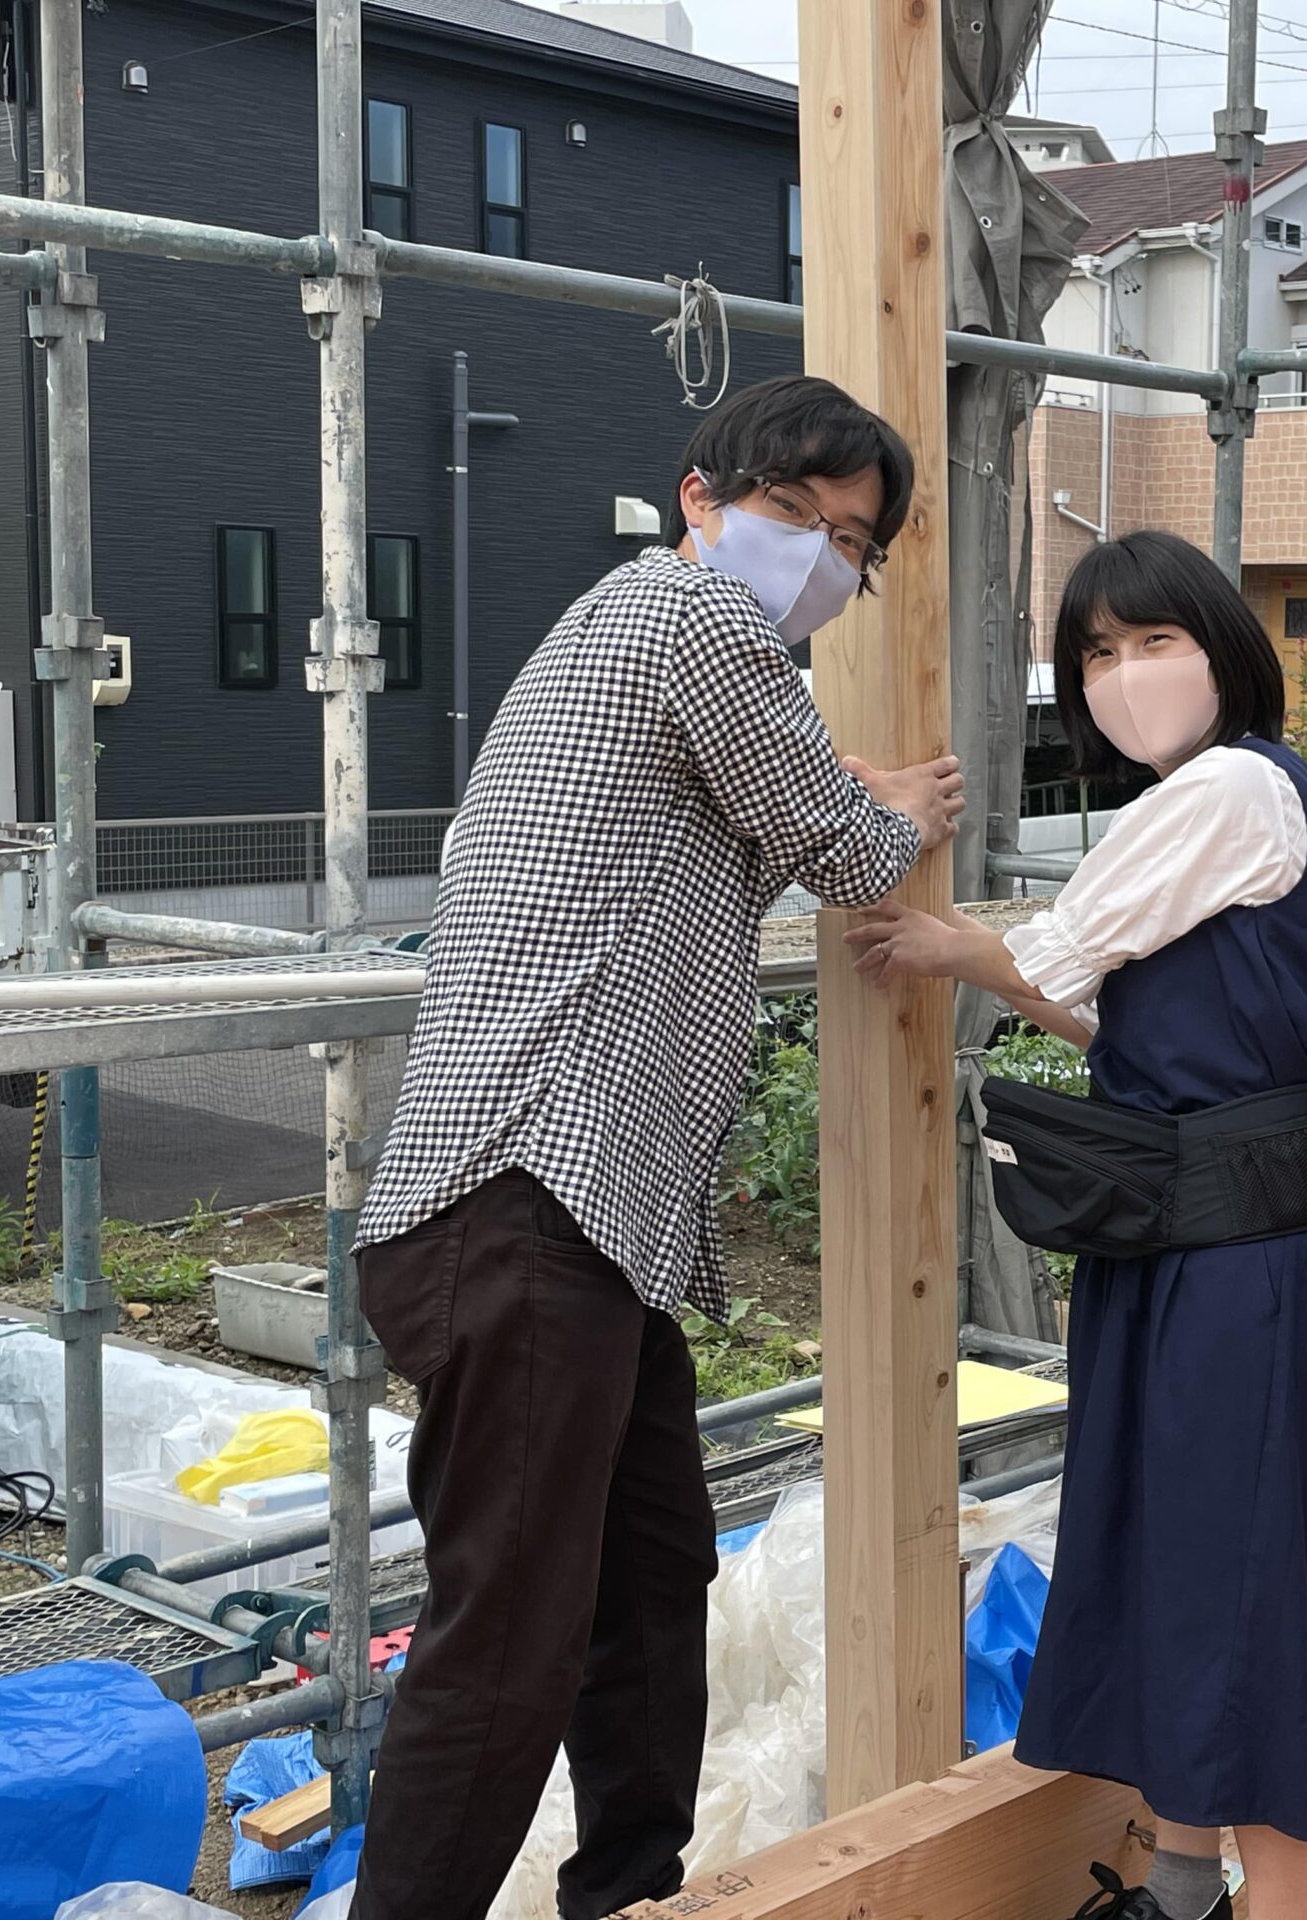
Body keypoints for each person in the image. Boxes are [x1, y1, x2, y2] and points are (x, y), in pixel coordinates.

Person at [347, 374, 965, 1920]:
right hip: (524, 1197)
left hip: (581, 1226)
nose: (822, 557)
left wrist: (838, 798)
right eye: (794, 515)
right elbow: (841, 847)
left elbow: (727, 843)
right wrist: (899, 805)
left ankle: (627, 1894)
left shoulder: (652, 659)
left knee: (649, 1573)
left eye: (853, 543)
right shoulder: (691, 622)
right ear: (701, 498)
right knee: (510, 1642)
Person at [845, 529, 1307, 1920]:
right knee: (1187, 1562)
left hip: (1243, 1251)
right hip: (1186, 1235)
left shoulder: (1232, 790)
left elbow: (1065, 948)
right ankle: (1186, 1885)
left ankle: (1268, 1904)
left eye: (1156, 643)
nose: (1124, 675)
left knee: (1246, 1579)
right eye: (1096, 653)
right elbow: (1103, 1007)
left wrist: (951, 938)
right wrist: (971, 952)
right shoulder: (1207, 812)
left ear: (1227, 653)